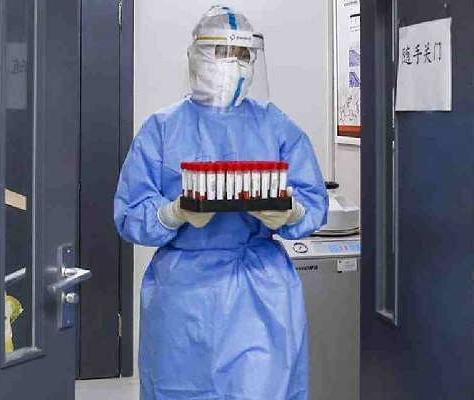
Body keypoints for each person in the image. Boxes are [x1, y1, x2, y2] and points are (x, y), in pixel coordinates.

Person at [114, 5, 328, 400]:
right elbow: (130, 212)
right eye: (223, 54)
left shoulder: (275, 125)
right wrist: (172, 213)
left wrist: (291, 212)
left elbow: (313, 201)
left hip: (261, 293)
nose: (235, 66)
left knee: (262, 388)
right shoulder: (162, 129)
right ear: (196, 57)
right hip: (183, 298)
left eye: (244, 56)